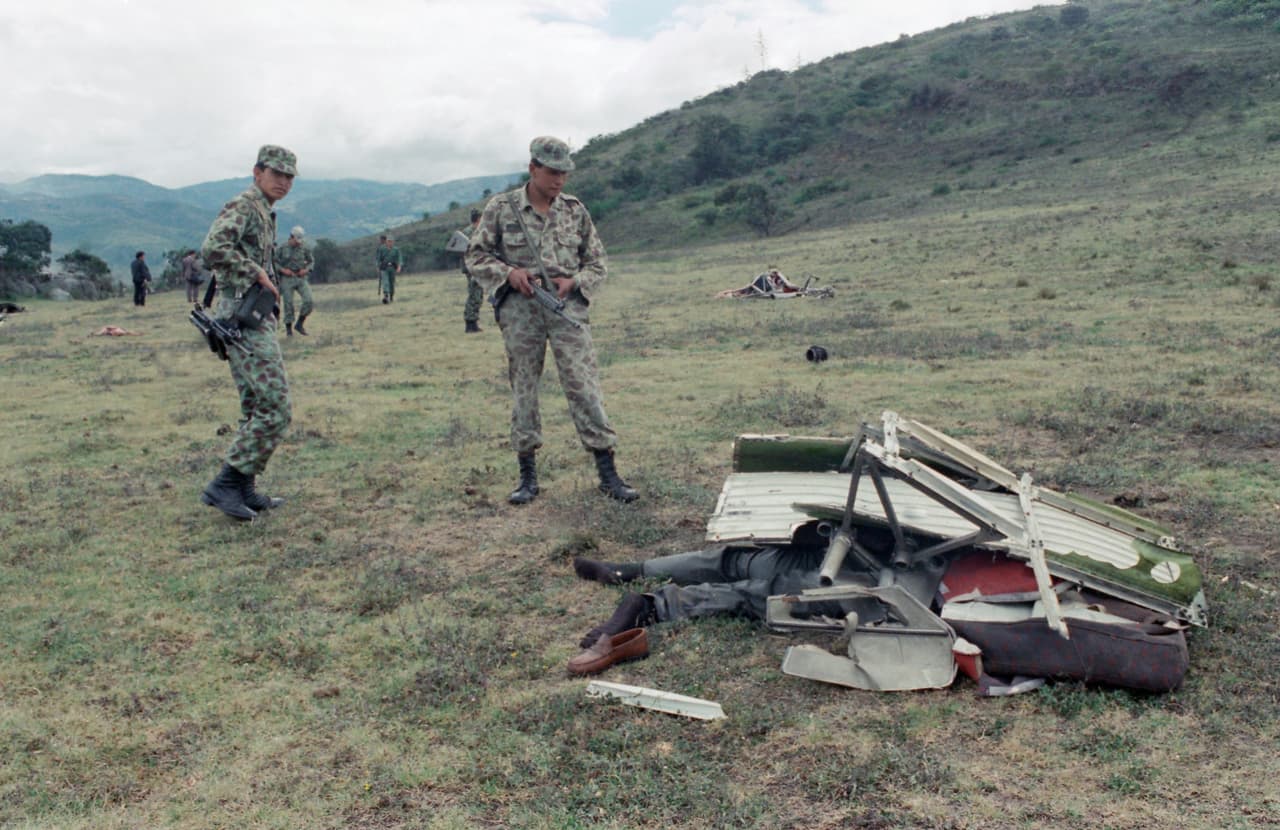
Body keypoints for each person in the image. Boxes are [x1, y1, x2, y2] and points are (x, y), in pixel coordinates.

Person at [465, 136, 638, 505]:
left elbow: (598, 262)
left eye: (564, 173)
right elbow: (475, 256)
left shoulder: (575, 210)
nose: (559, 180)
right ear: (533, 168)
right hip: (520, 311)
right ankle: (527, 476)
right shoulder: (502, 208)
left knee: (584, 385)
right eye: (552, 172)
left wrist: (574, 281)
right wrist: (509, 274)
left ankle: (608, 473)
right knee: (524, 387)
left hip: (566, 308)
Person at [565, 546, 876, 675]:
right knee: (742, 559)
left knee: (774, 591)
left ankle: (650, 606)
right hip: (867, 546)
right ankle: (626, 571)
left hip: (889, 579)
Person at [197, 144, 297, 521]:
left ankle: (245, 487)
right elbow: (213, 248)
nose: (284, 182)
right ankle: (226, 482)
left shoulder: (264, 211)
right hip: (241, 315)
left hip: (251, 313)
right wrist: (254, 271)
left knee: (255, 404)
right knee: (275, 405)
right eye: (277, 174)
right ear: (257, 173)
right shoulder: (244, 205)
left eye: (289, 177)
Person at [276, 225, 315, 336]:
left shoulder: (305, 248)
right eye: (296, 240)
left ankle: (299, 324)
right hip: (287, 278)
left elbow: (311, 261)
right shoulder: (282, 248)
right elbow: (274, 262)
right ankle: (289, 330)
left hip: (301, 278)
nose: (298, 243)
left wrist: (306, 270)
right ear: (291, 237)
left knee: (309, 301)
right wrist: (283, 270)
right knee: (288, 304)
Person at [459, 208, 483, 333]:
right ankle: (470, 323)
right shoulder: (470, 232)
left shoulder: (471, 231)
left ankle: (473, 322)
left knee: (477, 294)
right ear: (478, 219)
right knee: (474, 295)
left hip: (476, 266)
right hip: (472, 267)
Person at [376, 234, 402, 303]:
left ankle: (391, 296)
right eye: (388, 241)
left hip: (392, 268)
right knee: (385, 282)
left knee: (391, 283)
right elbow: (378, 259)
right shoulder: (381, 249)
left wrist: (399, 266)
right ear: (386, 242)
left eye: (391, 241)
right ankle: (386, 295)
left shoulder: (396, 249)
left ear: (393, 242)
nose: (389, 243)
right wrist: (378, 267)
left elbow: (399, 258)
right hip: (384, 267)